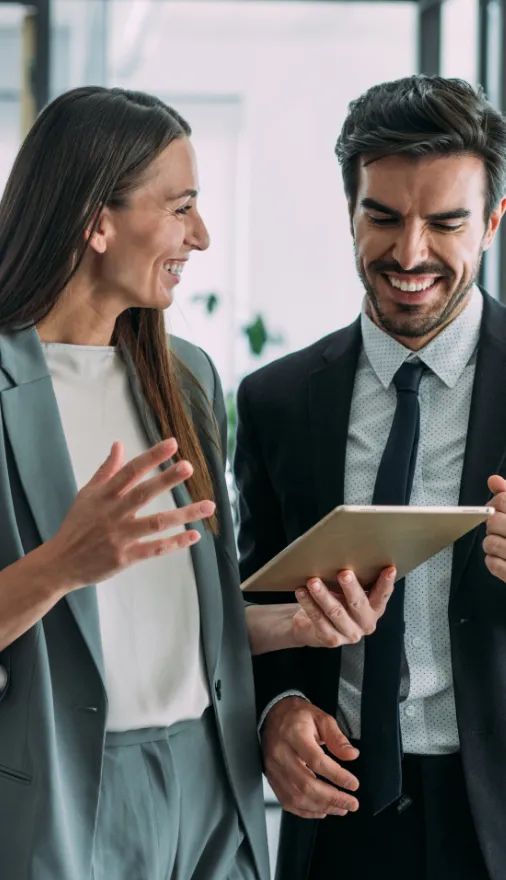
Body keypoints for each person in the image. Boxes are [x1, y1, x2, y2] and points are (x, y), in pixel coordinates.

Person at [0, 85, 396, 880]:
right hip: (62, 796)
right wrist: (65, 564)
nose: (203, 236)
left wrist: (299, 627)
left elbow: (187, 620)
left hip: (213, 786)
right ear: (96, 220)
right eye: (180, 207)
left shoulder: (185, 378)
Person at [234, 75, 506, 880]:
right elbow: (257, 602)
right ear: (348, 213)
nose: (410, 254)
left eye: (446, 223)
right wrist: (276, 714)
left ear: (491, 223)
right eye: (382, 217)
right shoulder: (276, 400)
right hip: (336, 823)